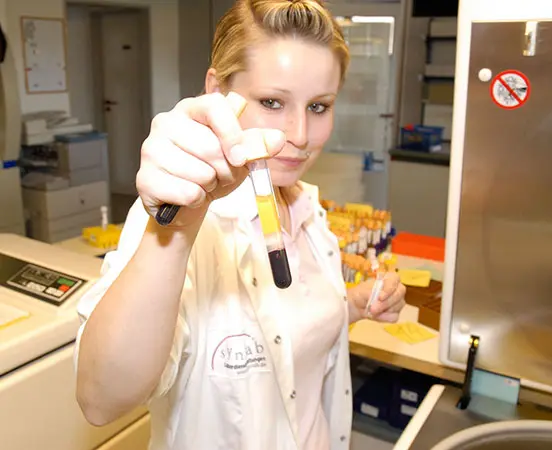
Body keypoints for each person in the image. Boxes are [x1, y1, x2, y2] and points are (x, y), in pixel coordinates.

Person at [74, 1, 406, 449]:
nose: (300, 134)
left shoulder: (306, 207)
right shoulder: (179, 219)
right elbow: (101, 400)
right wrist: (177, 229)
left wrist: (350, 306)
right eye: (272, 102)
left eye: (319, 106)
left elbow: (290, 340)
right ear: (218, 91)